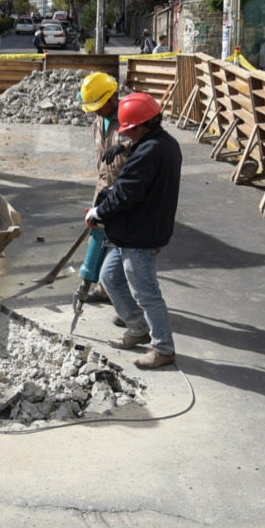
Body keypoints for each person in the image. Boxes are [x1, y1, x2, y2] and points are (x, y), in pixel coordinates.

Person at [86, 92, 182, 370]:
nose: (127, 134)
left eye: (130, 130)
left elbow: (127, 193)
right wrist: (128, 148)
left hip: (141, 234)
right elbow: (140, 176)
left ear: (144, 125)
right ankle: (138, 328)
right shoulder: (163, 143)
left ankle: (163, 348)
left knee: (146, 293)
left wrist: (98, 212)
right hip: (131, 231)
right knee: (110, 278)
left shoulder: (150, 152)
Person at [79, 72, 128, 307]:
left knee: (122, 246)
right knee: (98, 235)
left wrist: (124, 146)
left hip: (125, 191)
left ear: (112, 98)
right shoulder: (99, 121)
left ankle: (125, 299)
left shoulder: (129, 118)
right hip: (103, 187)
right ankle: (101, 288)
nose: (96, 111)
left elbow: (148, 144)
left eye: (99, 106)